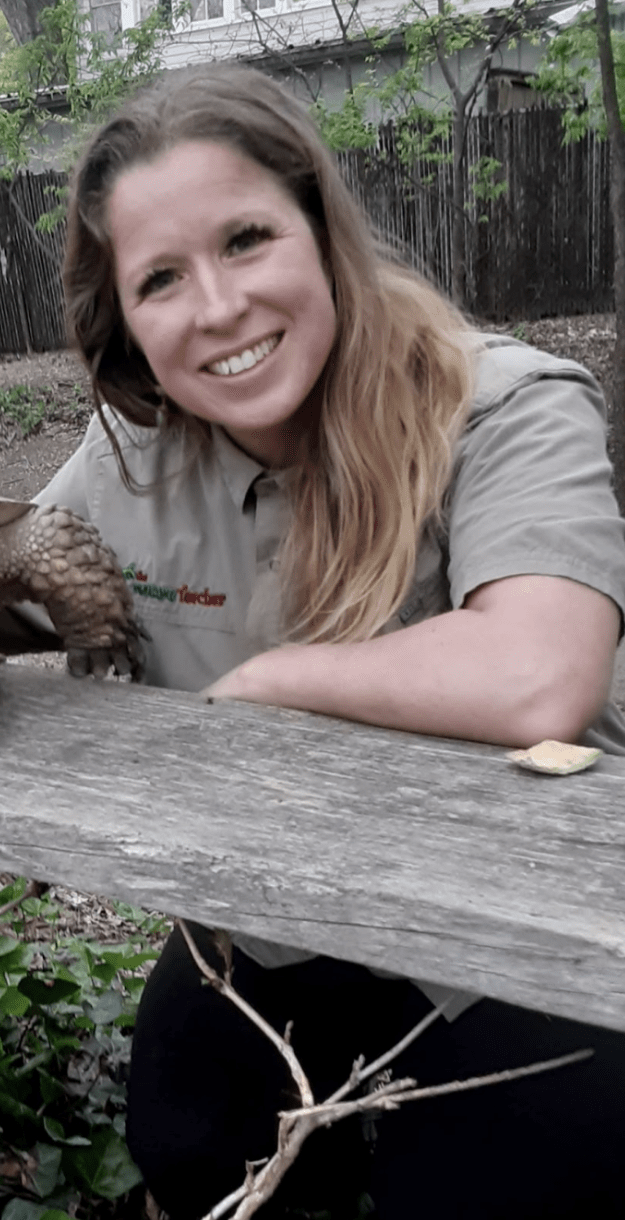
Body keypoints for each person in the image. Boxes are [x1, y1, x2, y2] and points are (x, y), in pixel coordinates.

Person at [34, 64, 625, 1219]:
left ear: (322, 229)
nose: (217, 307)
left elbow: (538, 671)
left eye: (247, 239)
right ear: (124, 329)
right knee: (187, 1147)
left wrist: (274, 681)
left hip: (524, 923)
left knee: (477, 1191)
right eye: (161, 279)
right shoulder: (127, 465)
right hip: (285, 920)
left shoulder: (506, 407)